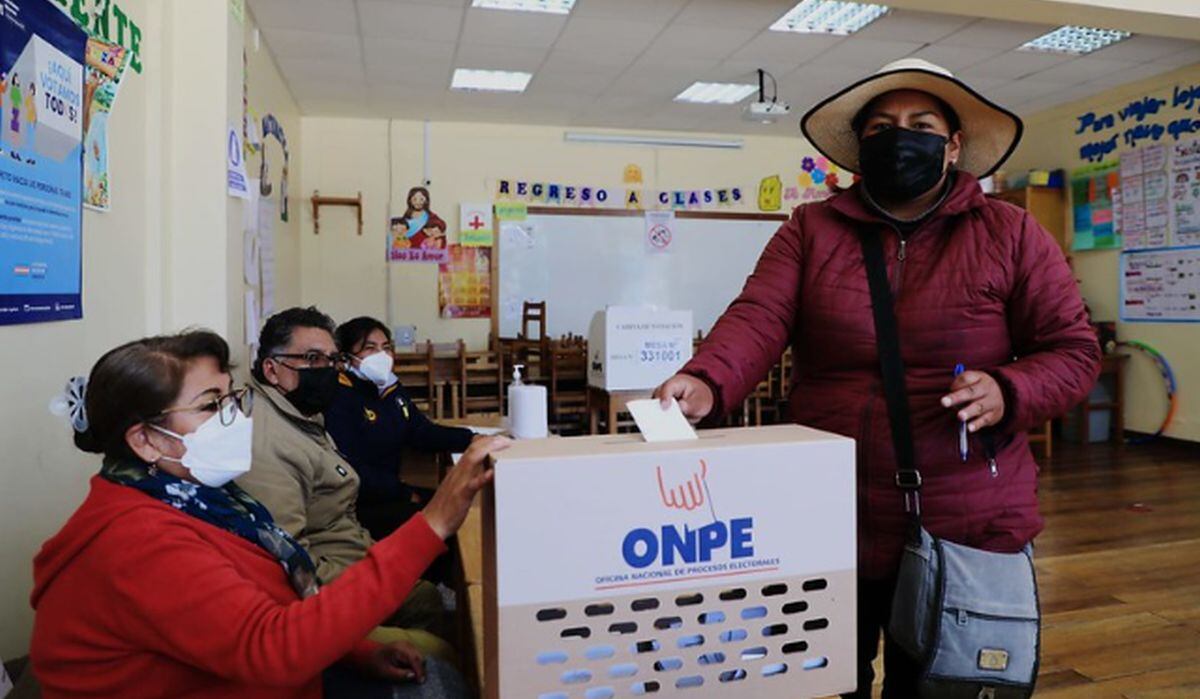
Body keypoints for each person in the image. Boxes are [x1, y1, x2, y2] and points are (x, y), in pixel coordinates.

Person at [654, 59, 1101, 698]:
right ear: (861, 148)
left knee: (937, 683)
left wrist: (1009, 388)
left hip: (964, 521)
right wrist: (706, 378)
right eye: (883, 126)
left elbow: (1073, 351)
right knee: (828, 677)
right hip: (826, 510)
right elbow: (758, 315)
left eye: (922, 124)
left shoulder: (1011, 232)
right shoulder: (810, 230)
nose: (902, 137)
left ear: (951, 148)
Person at [30, 329, 508, 698]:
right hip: (256, 679)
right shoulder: (137, 539)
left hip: (262, 675)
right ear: (146, 440)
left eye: (231, 398)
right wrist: (434, 522)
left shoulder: (200, 497)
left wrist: (354, 652)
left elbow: (258, 607)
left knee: (442, 672)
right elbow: (272, 647)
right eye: (210, 405)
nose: (235, 417)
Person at [326, 316, 476, 542]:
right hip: (360, 506)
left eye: (386, 348)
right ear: (345, 359)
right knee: (443, 520)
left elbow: (421, 432)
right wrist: (405, 493)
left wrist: (471, 439)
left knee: (461, 506)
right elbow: (350, 468)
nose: (382, 356)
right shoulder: (340, 398)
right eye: (370, 348)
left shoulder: (389, 388)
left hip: (393, 493)